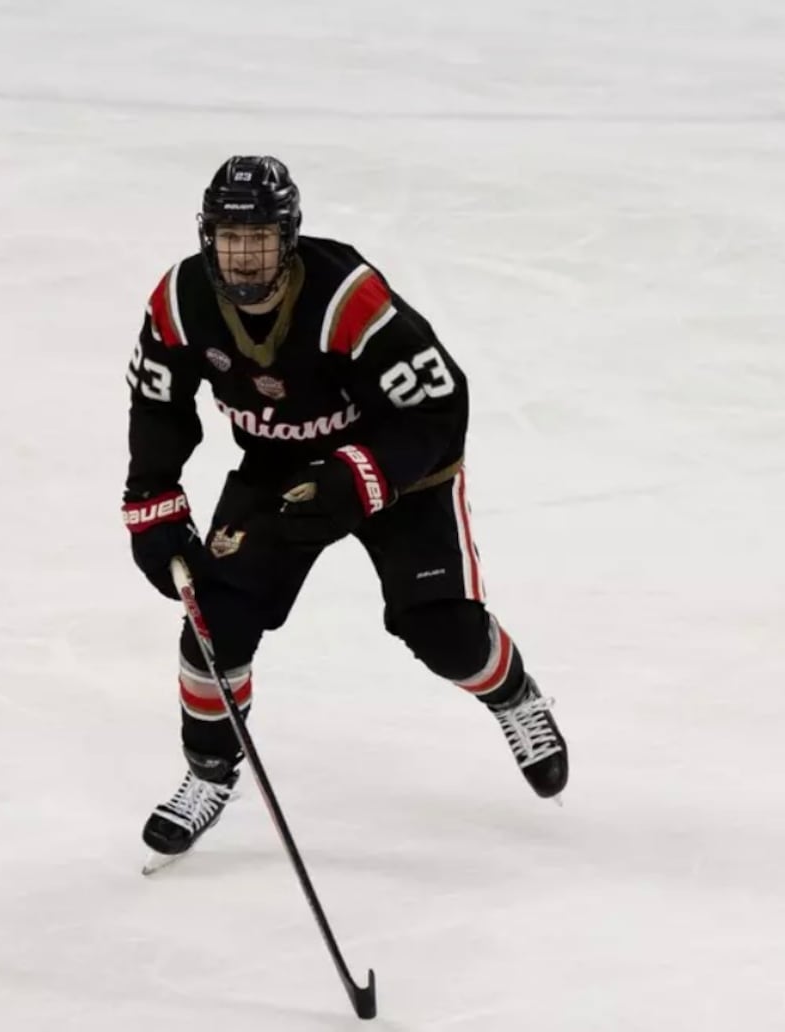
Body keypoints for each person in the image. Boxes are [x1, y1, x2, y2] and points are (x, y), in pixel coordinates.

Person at [122, 155, 568, 860]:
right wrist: (152, 496)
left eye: (260, 238)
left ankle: (514, 696)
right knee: (215, 621)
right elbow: (158, 403)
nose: (244, 256)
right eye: (230, 238)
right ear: (207, 237)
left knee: (444, 632)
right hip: (279, 470)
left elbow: (439, 402)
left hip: (402, 472)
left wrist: (361, 477)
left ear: (289, 237)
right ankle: (208, 773)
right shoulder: (179, 301)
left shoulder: (345, 297)